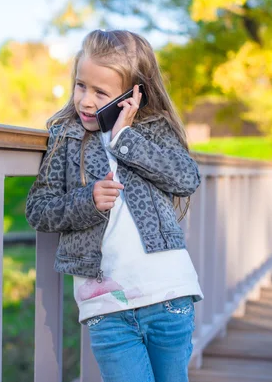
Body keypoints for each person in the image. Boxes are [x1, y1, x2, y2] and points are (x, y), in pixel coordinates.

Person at [25, 29, 203, 382]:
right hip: (106, 308)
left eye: (100, 92)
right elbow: (38, 208)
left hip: (168, 295)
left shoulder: (153, 129)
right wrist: (86, 201)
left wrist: (124, 139)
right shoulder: (67, 136)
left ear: (134, 93)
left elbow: (186, 178)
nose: (86, 101)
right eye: (80, 86)